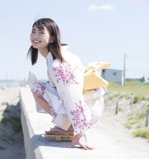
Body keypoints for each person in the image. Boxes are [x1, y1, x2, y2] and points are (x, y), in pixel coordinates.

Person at [28, 18, 106, 150]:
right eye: (33, 31)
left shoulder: (59, 64)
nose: (35, 36)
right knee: (38, 88)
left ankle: (70, 128)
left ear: (52, 38)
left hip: (89, 108)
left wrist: (80, 133)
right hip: (88, 103)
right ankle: (67, 126)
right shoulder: (54, 56)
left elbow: (73, 97)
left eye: (41, 32)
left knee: (37, 89)